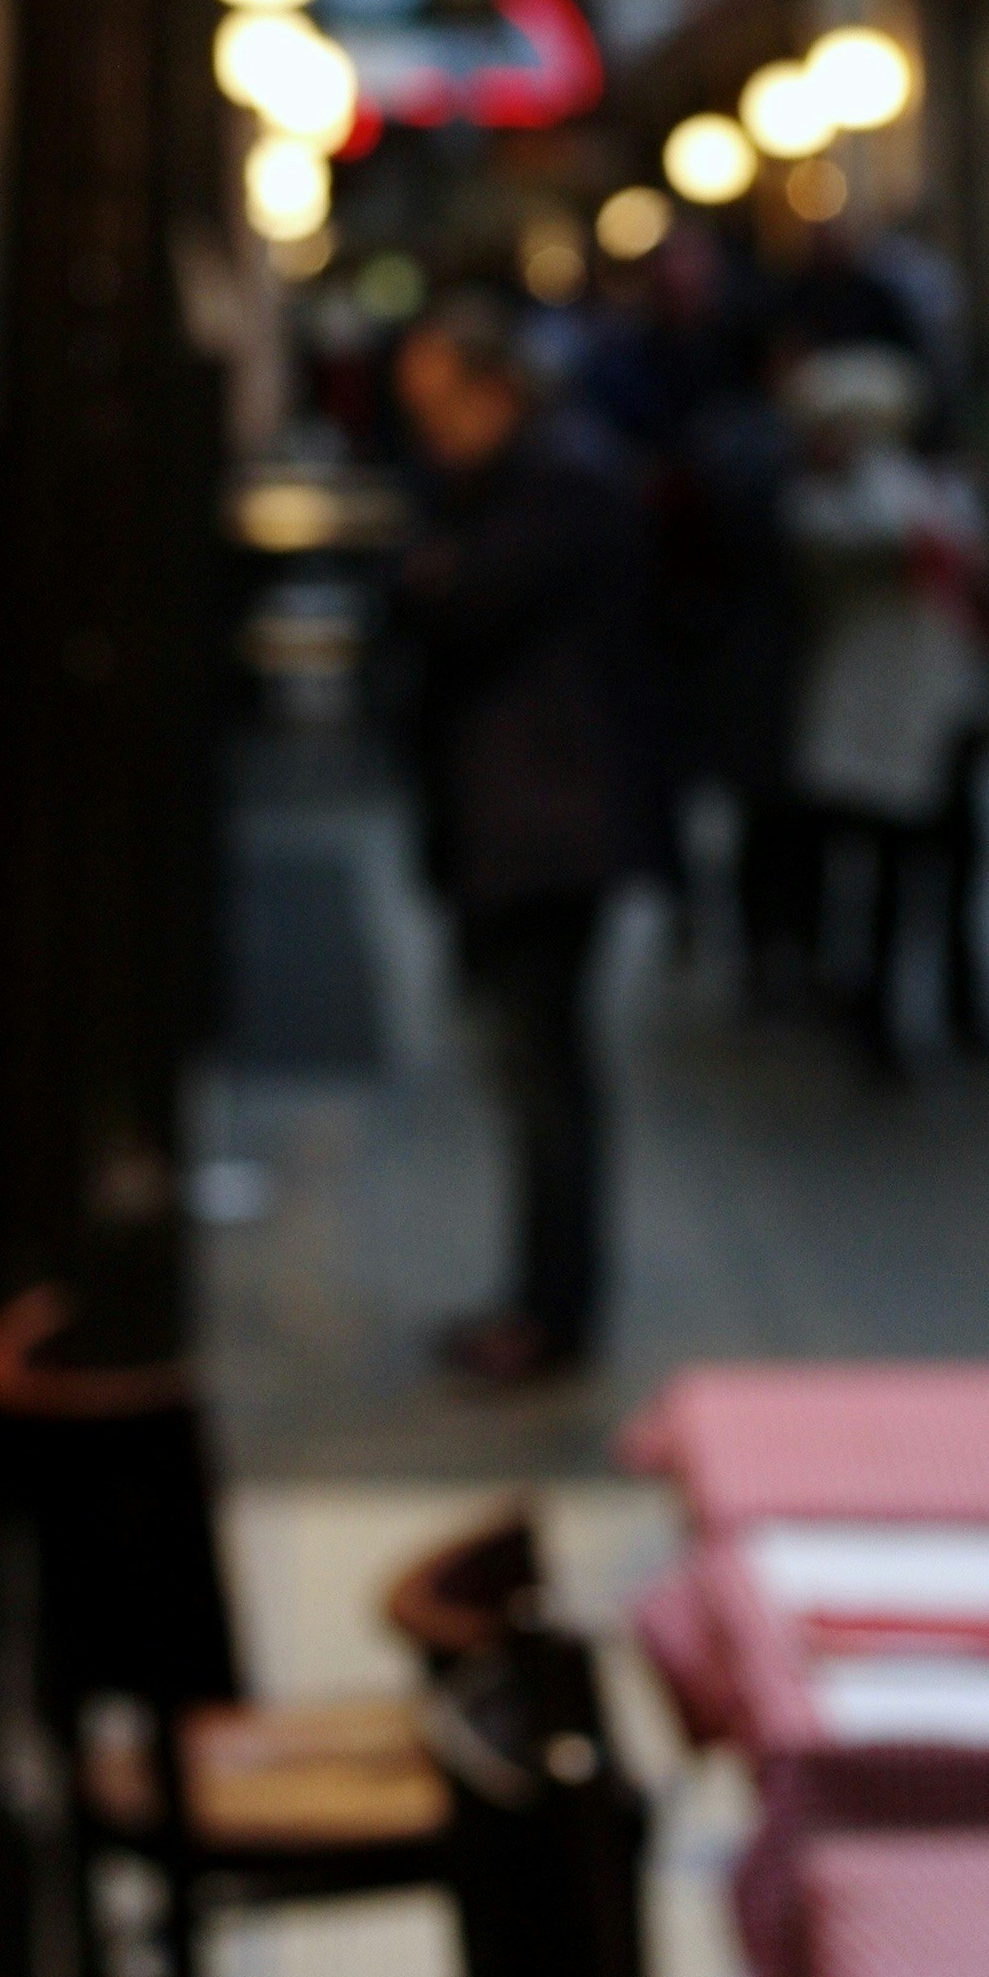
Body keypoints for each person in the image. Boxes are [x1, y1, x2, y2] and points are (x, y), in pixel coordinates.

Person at [389, 293, 649, 1388]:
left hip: (548, 822)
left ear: (495, 391)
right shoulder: (519, 481)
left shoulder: (557, 479)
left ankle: (554, 1313)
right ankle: (538, 1300)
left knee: (546, 1076)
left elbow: (457, 605)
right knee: (531, 1073)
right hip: (520, 816)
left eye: (442, 406)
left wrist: (436, 571)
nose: (429, 433)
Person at [780, 346, 989, 1075]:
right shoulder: (829, 502)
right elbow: (852, 549)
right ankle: (876, 1022)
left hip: (946, 706)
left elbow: (981, 573)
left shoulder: (932, 487)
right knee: (879, 876)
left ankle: (962, 1007)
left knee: (958, 868)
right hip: (875, 713)